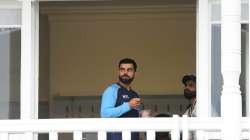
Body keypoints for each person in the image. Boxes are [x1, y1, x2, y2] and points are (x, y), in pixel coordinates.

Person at [100, 58, 141, 140]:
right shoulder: (112, 90)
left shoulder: (135, 94)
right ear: (118, 72)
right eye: (122, 69)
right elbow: (105, 114)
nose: (125, 72)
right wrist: (128, 105)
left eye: (129, 70)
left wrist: (142, 116)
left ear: (134, 73)